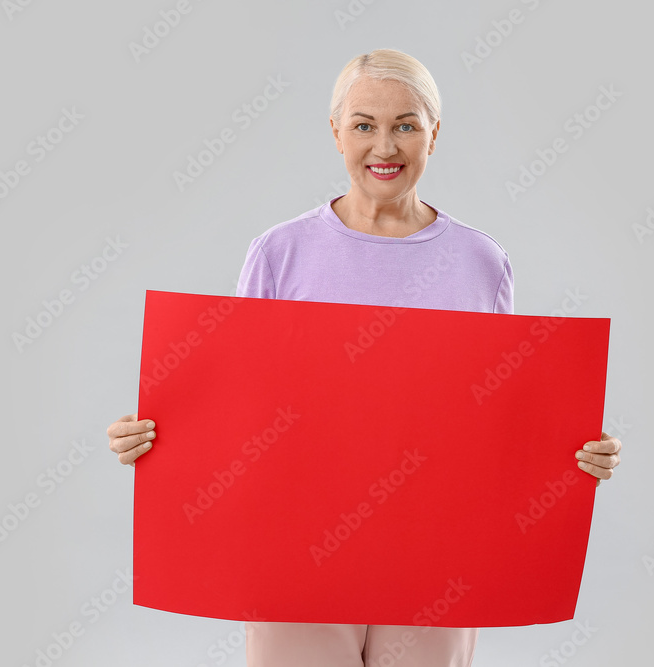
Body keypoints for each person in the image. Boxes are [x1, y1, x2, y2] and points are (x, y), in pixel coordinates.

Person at [107, 48, 622, 667]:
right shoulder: (280, 253)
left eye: (407, 124)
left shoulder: (479, 261)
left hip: (438, 549)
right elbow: (239, 401)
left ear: (435, 133)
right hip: (297, 549)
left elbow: (500, 412)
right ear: (336, 133)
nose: (386, 145)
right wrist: (159, 437)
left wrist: (571, 451)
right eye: (364, 125)